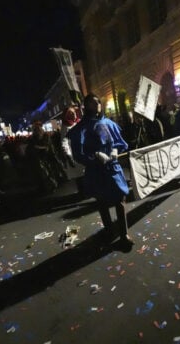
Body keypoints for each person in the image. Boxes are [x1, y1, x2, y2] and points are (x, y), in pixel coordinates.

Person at [68, 93, 133, 248]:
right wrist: (94, 156)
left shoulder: (108, 123)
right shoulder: (81, 128)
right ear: (85, 106)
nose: (95, 105)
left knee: (120, 199)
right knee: (102, 201)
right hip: (95, 170)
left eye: (97, 102)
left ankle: (124, 234)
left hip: (112, 167)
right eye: (91, 103)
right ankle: (109, 230)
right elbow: (78, 153)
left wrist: (115, 151)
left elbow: (119, 143)